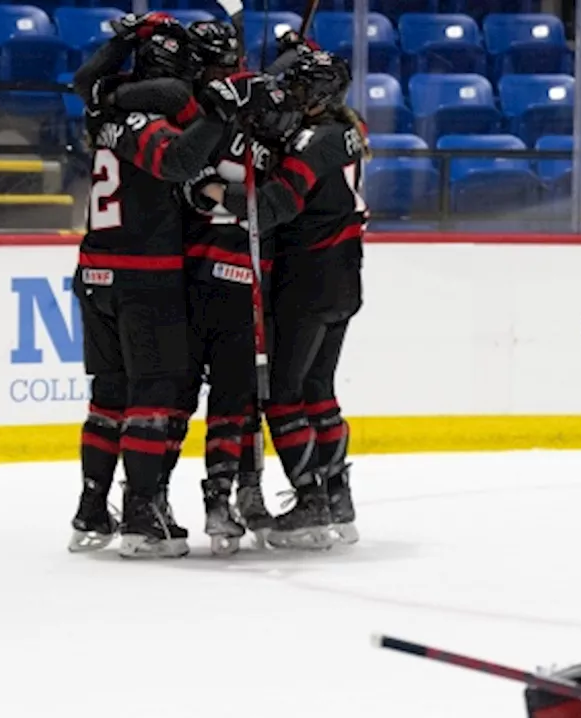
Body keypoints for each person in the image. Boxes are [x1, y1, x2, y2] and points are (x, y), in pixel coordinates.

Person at [66, 12, 270, 559]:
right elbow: (179, 161)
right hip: (145, 275)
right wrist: (222, 112)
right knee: (154, 397)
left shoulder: (104, 105)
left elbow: (86, 79)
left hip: (94, 271)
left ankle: (91, 510)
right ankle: (141, 517)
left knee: (109, 396)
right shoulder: (148, 118)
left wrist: (122, 42)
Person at [202, 49, 369, 549]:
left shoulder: (313, 142)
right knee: (319, 390)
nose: (288, 95)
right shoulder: (348, 132)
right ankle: (337, 495)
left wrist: (214, 192)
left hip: (308, 280)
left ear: (318, 95)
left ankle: (311, 500)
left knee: (282, 394)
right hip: (343, 278)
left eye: (298, 88)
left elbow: (273, 206)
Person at [176, 19, 277, 555]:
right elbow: (194, 190)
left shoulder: (233, 120)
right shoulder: (197, 120)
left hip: (230, 273)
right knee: (229, 396)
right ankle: (222, 497)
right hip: (213, 275)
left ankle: (243, 491)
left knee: (242, 395)